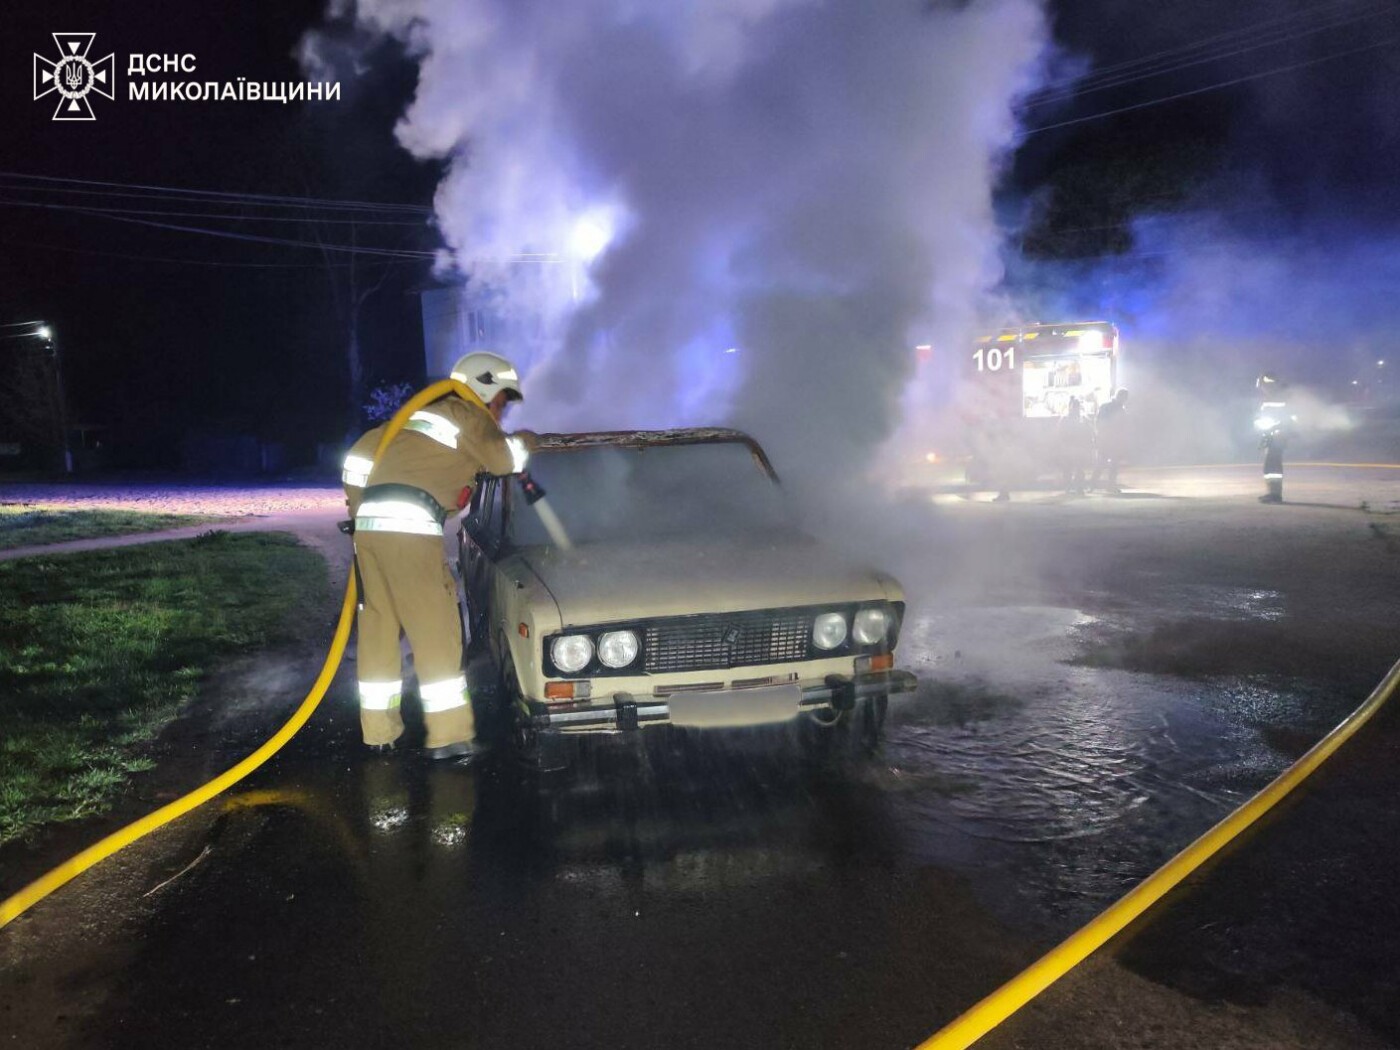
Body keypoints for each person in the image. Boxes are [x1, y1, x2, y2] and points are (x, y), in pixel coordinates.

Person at [348, 351, 533, 762]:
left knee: (380, 627)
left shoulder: (410, 423)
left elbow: (360, 456)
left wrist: (359, 508)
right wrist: (528, 443)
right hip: (410, 529)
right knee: (436, 627)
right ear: (483, 389)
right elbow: (504, 460)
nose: (500, 413)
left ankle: (379, 733)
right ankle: (449, 738)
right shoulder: (467, 414)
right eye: (502, 401)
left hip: (370, 531)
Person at [1254, 372, 1292, 503]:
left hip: (1277, 436)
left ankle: (1275, 494)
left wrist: (1272, 428)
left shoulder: (1276, 399)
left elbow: (1284, 419)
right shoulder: (1272, 398)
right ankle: (1273, 493)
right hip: (1273, 435)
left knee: (1272, 465)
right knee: (1271, 465)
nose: (1262, 389)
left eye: (1263, 386)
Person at [1090, 388, 1130, 493]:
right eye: (1124, 398)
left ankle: (1096, 485)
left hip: (1109, 440)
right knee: (1106, 463)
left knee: (1107, 463)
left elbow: (1098, 422)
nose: (1125, 400)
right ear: (1121, 397)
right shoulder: (1115, 409)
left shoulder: (1110, 407)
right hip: (1108, 439)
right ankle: (1101, 485)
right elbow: (1100, 423)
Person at [1057, 396, 1094, 495]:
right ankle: (1068, 487)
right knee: (1068, 469)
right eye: (1074, 406)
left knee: (1079, 469)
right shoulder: (1065, 418)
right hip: (1069, 447)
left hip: (1080, 447)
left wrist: (1089, 443)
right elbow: (1061, 433)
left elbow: (1090, 431)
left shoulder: (1084, 418)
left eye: (1077, 406)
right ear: (1070, 407)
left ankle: (1079, 487)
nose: (1075, 408)